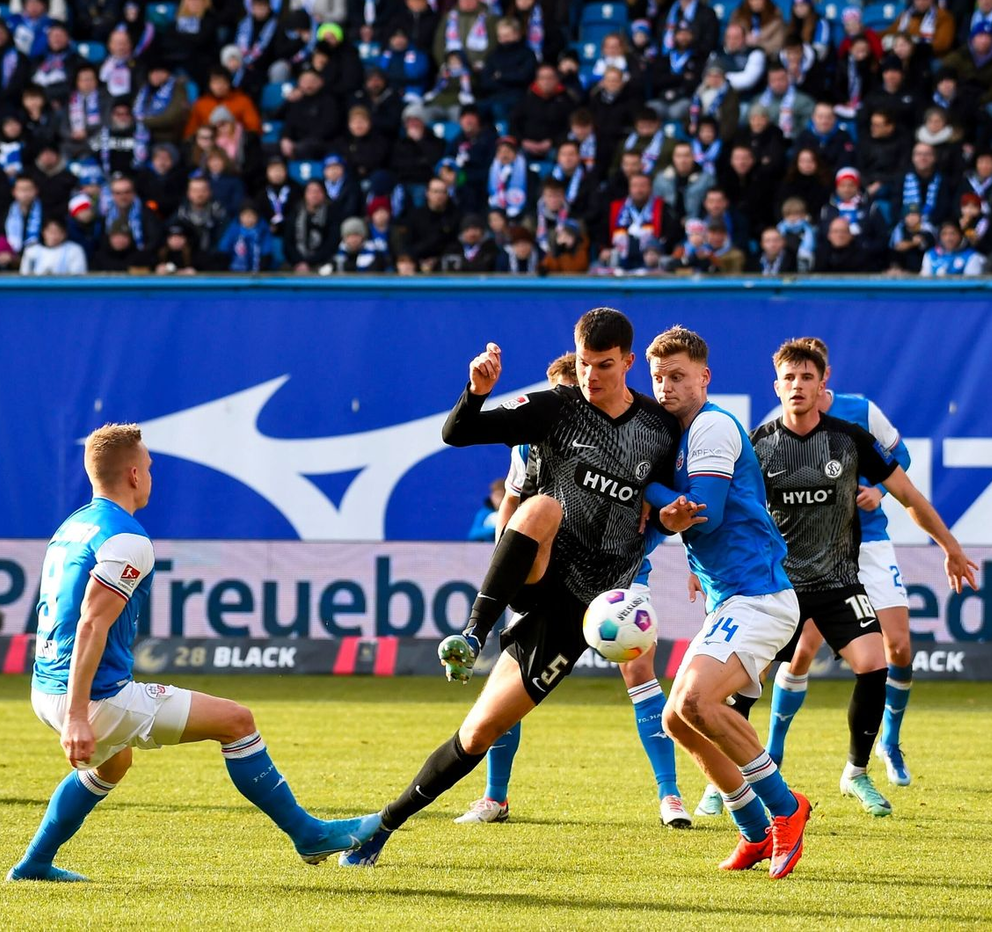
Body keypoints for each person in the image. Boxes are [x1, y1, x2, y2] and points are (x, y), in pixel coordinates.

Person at [341, 309, 690, 868]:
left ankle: (380, 828)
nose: (593, 376)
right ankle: (472, 635)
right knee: (542, 506)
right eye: (583, 363)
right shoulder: (555, 407)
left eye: (604, 365)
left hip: (587, 608)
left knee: (477, 733)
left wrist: (674, 523)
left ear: (628, 362)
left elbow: (666, 502)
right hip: (541, 571)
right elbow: (457, 433)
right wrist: (475, 392)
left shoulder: (660, 428)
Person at [6, 423, 381, 882]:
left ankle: (34, 864)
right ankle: (308, 834)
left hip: (45, 688)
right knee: (237, 721)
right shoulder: (127, 539)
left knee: (115, 760)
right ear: (133, 475)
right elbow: (91, 623)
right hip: (91, 697)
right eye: (148, 466)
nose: (150, 474)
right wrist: (81, 714)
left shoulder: (72, 527)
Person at [456, 352, 692, 830]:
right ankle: (494, 796)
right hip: (549, 572)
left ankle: (670, 795)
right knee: (508, 680)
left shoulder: (636, 433)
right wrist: (507, 568)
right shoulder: (531, 443)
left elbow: (657, 503)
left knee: (639, 667)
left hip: (620, 570)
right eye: (570, 387)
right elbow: (516, 505)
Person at [749, 340, 978, 816]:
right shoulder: (759, 444)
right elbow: (733, 512)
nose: (798, 386)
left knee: (879, 659)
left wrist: (950, 546)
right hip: (781, 581)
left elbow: (909, 491)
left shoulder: (852, 431)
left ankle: (858, 769)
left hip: (841, 572)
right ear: (777, 386)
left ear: (823, 380)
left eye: (807, 377)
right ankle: (739, 773)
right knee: (753, 671)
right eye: (789, 378)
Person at [639, 327, 812, 877]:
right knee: (676, 719)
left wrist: (648, 488)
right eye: (659, 377)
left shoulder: (711, 426)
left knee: (696, 704)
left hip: (758, 596)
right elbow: (675, 517)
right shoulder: (681, 435)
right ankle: (755, 831)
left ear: (705, 377)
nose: (666, 387)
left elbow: (704, 509)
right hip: (730, 600)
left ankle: (788, 809)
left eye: (679, 376)